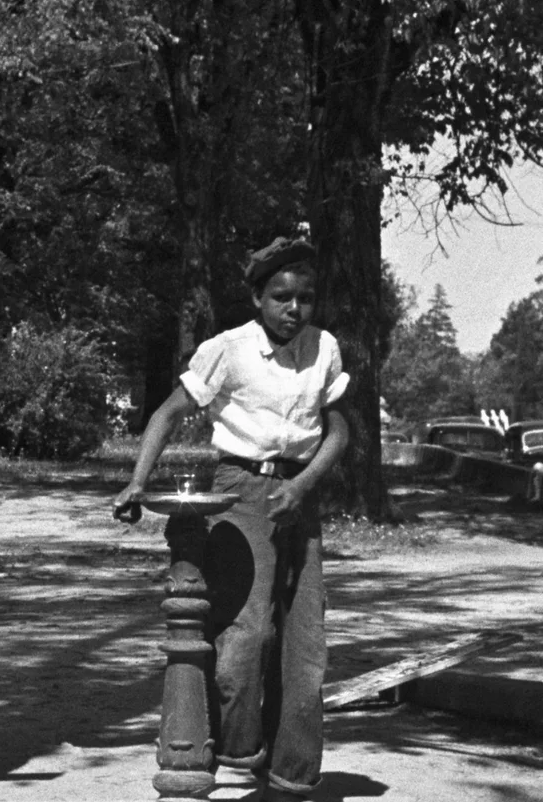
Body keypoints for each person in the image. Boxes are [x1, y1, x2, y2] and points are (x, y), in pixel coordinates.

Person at [113, 236, 349, 800]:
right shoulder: (229, 349)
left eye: (306, 298)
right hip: (240, 490)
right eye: (282, 297)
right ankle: (241, 749)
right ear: (258, 298)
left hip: (300, 496)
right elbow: (171, 411)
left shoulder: (325, 348)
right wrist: (138, 481)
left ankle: (291, 777)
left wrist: (303, 485)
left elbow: (339, 430)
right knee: (244, 638)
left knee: (304, 647)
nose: (295, 309)